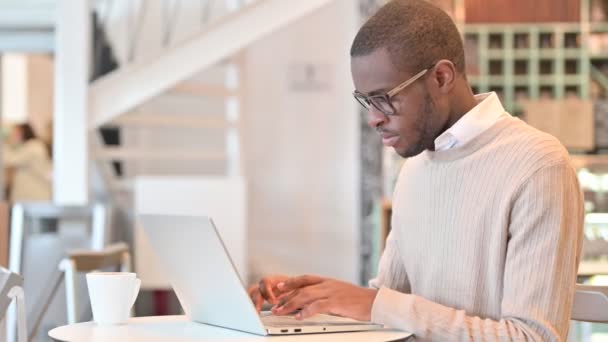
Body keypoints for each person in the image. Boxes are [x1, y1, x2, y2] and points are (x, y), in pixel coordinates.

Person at [247, 0, 584, 340]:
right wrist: (313, 299)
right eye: (366, 100)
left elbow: (533, 337)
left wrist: (375, 304)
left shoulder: (539, 165)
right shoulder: (415, 168)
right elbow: (388, 308)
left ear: (441, 77)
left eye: (384, 97)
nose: (373, 118)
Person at [3, 123, 53, 202]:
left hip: (36, 195)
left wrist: (4, 141)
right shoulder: (29, 147)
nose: (11, 136)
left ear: (23, 132)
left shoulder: (33, 146)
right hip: (32, 195)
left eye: (15, 133)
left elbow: (9, 160)